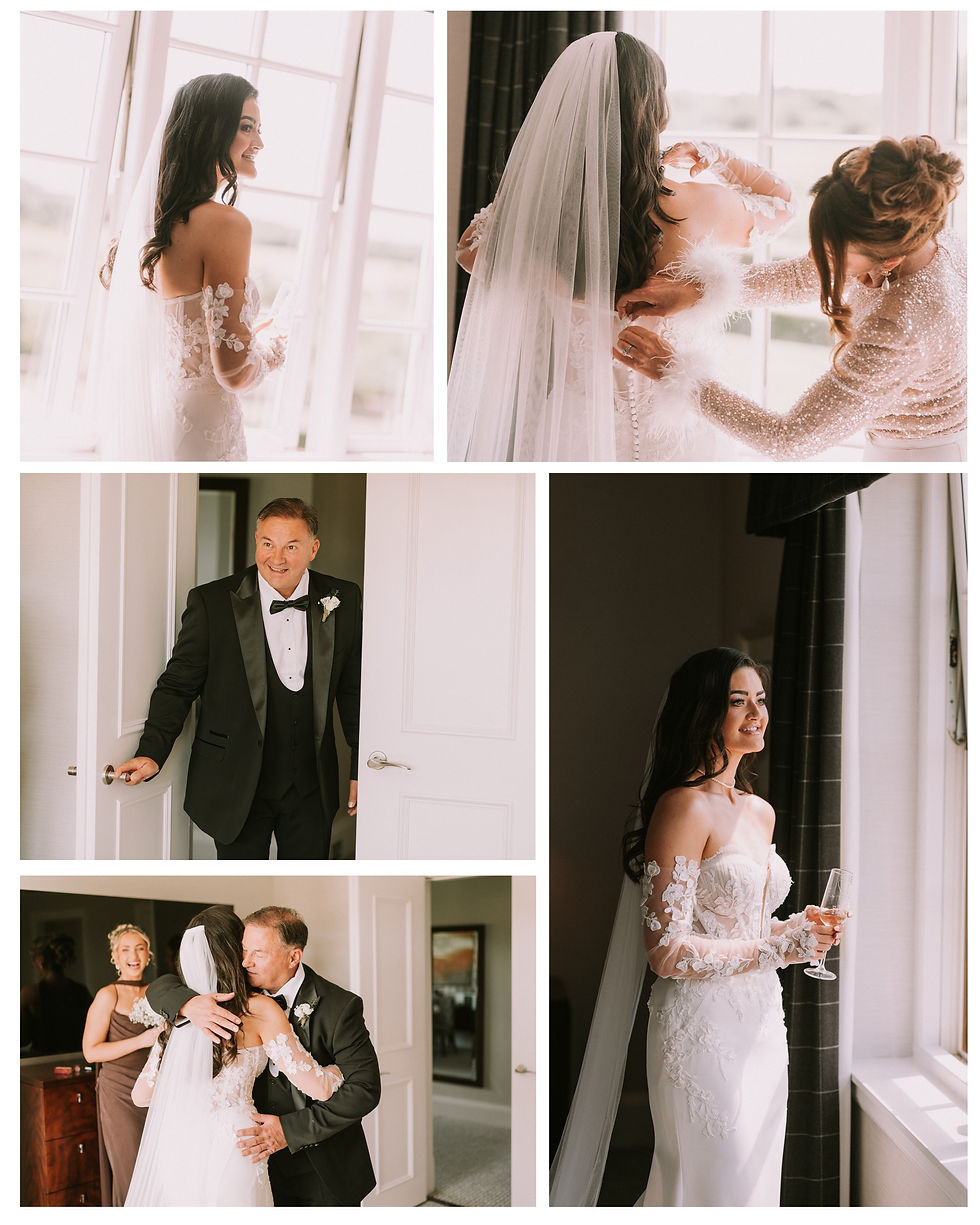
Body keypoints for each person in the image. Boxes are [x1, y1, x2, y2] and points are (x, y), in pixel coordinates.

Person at [550, 647, 846, 1207]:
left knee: (755, 1189)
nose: (757, 713)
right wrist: (781, 948)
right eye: (738, 701)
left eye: (760, 699)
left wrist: (799, 930)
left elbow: (744, 924)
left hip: (762, 1023)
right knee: (713, 1191)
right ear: (703, 712)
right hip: (701, 1030)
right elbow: (666, 951)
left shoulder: (760, 811)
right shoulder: (682, 808)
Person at [448, 31, 794, 461]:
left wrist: (530, 191)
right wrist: (715, 155)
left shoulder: (539, 222)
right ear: (655, 109)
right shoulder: (698, 206)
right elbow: (782, 203)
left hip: (572, 430)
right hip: (675, 430)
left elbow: (468, 250)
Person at [615, 136, 966, 460]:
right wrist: (698, 290)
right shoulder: (917, 231)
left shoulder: (899, 327)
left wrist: (677, 374)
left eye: (833, 258)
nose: (818, 263)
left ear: (889, 260)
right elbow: (800, 277)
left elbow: (790, 440)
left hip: (917, 457)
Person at [114, 497, 361, 860]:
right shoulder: (212, 602)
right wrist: (151, 752)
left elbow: (354, 690)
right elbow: (178, 686)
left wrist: (360, 767)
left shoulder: (343, 598)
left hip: (311, 788)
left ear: (313, 549)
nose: (277, 558)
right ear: (256, 541)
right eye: (268, 543)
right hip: (234, 784)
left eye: (291, 546)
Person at [94, 73, 288, 460]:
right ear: (210, 131)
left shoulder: (153, 225)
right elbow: (234, 373)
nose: (259, 143)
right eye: (246, 127)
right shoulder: (226, 224)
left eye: (259, 129)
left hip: (164, 418)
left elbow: (186, 334)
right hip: (206, 432)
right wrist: (273, 350)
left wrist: (245, 335)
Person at [146, 906, 380, 1207]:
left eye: (258, 953)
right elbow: (161, 987)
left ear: (293, 957)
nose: (245, 961)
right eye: (243, 950)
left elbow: (364, 1090)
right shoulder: (225, 994)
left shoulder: (340, 1006)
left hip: (319, 1164)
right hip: (245, 1159)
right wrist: (188, 1004)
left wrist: (288, 1131)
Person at [81, 924, 163, 1206]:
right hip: (118, 1093)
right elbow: (91, 1052)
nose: (134, 956)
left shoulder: (156, 991)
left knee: (157, 1168)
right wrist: (141, 1040)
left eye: (140, 949)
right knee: (130, 1168)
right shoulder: (108, 995)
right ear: (115, 956)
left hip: (154, 1089)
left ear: (148, 954)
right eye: (125, 950)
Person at [20, 934, 93, 1056]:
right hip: (78, 1059)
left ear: (41, 961)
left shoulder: (30, 994)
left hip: (43, 1062)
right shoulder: (81, 991)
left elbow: (21, 1039)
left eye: (33, 959)